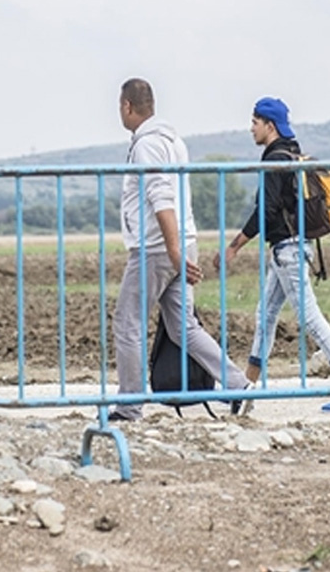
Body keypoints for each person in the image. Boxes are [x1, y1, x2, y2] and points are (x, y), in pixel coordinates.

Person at [212, 97, 330, 414]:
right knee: (265, 318)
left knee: (310, 319)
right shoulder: (291, 154)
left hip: (289, 252)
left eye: (255, 122)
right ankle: (245, 390)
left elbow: (265, 212)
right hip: (291, 249)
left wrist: (234, 246)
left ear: (269, 125)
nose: (251, 128)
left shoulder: (275, 160)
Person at [111, 78, 249, 421]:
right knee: (183, 326)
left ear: (127, 106)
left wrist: (172, 251)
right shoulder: (175, 142)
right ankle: (238, 386)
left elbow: (161, 199)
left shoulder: (146, 146)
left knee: (127, 323)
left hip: (157, 248)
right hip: (183, 243)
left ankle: (129, 406)